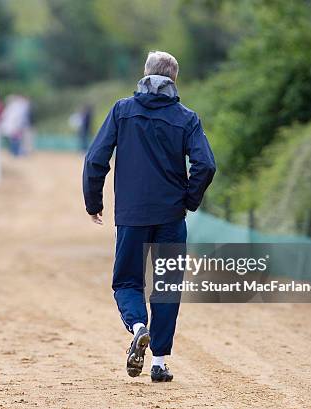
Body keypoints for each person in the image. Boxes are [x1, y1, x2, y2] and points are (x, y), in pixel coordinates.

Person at [82, 51, 216, 382]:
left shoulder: (122, 111)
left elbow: (96, 159)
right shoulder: (187, 118)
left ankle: (138, 325)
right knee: (168, 287)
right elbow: (206, 164)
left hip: (131, 215)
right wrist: (189, 200)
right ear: (174, 79)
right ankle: (158, 362)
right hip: (171, 215)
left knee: (127, 281)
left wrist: (93, 200)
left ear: (145, 74)